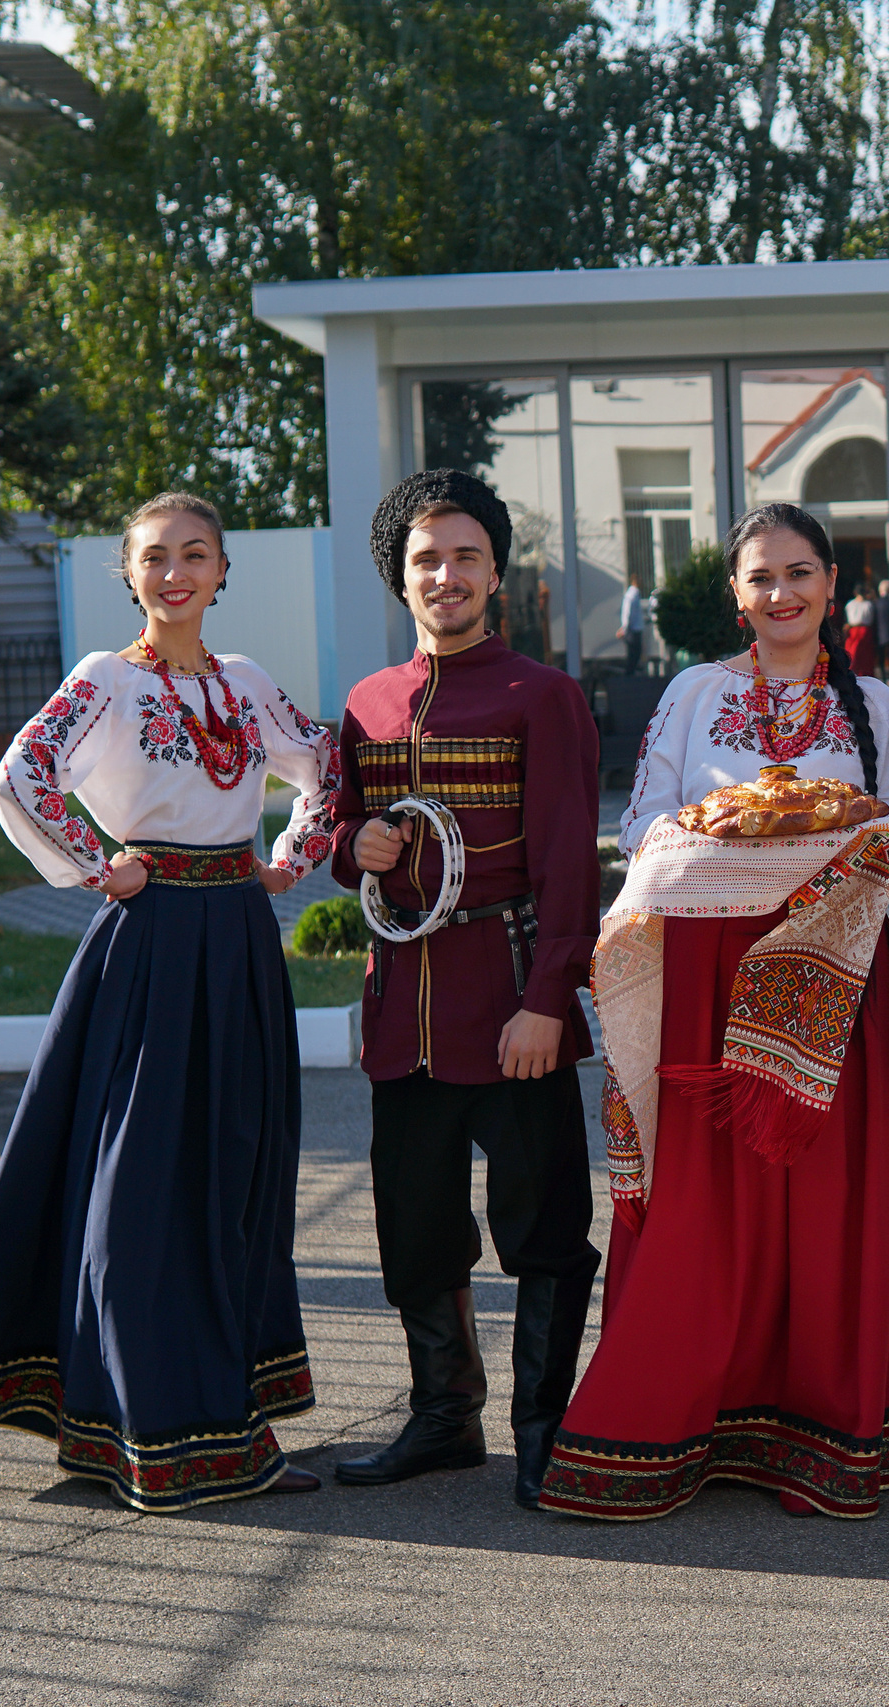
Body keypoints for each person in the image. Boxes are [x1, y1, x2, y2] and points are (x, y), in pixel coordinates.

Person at [0, 493, 342, 1511]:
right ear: (129, 575)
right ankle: (143, 1426)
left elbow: (323, 763)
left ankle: (212, 1422)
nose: (175, 573)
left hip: (239, 938)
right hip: (152, 940)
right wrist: (89, 868)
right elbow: (20, 777)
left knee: (230, 1171)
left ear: (219, 572)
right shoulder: (102, 683)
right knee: (139, 1184)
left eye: (194, 555)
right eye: (155, 557)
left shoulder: (244, 684)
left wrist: (292, 857)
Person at [540, 502, 889, 1521]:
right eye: (761, 578)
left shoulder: (875, 706)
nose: (782, 594)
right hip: (708, 975)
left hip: (837, 977)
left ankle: (819, 1433)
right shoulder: (690, 692)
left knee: (827, 1209)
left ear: (830, 584)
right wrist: (739, 844)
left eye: (799, 573)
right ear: (735, 594)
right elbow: (643, 826)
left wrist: (881, 851)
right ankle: (679, 1424)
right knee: (707, 1210)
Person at [328, 469, 605, 1510]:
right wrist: (356, 844)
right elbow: (335, 849)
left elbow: (570, 867)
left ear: (497, 569)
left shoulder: (545, 696)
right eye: (425, 560)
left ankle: (544, 1431)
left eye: (464, 556)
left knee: (542, 1225)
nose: (445, 575)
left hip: (512, 1005)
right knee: (415, 1221)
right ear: (399, 580)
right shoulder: (365, 705)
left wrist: (548, 1000)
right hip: (403, 1011)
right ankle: (444, 1421)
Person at [844, 579, 881, 678]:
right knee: (865, 657)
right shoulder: (868, 605)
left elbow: (848, 618)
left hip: (853, 630)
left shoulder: (850, 604)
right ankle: (865, 674)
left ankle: (853, 674)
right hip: (865, 630)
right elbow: (871, 618)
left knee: (853, 654)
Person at [617, 577, 649, 674]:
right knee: (634, 653)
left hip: (635, 628)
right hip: (632, 629)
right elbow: (627, 612)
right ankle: (629, 674)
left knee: (635, 653)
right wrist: (624, 628)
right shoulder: (632, 595)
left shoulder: (635, 594)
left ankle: (631, 672)